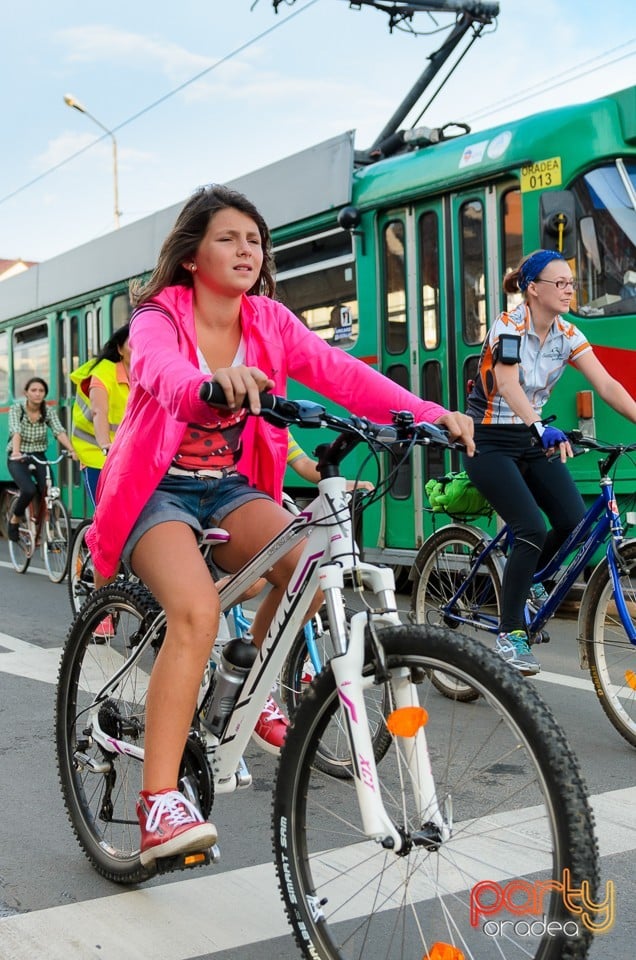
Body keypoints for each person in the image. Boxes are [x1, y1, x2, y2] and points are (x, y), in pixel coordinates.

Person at [85, 184, 474, 868]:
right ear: (190, 257)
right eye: (228, 238)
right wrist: (211, 384)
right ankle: (157, 806)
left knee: (311, 564)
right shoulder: (160, 316)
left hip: (228, 488)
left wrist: (428, 413)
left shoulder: (269, 319)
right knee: (197, 611)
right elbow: (161, 372)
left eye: (255, 240)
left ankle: (250, 684)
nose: (246, 250)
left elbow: (342, 374)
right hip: (155, 491)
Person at [463, 249, 636, 676]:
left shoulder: (568, 334)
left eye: (571, 283)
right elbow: (505, 382)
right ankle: (510, 633)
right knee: (531, 528)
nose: (568, 289)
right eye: (559, 283)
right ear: (532, 288)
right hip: (488, 440)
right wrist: (539, 426)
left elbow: (608, 384)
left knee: (576, 521)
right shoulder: (508, 325)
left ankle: (531, 582)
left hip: (531, 436)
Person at [6, 377, 77, 542]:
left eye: (41, 391)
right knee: (29, 489)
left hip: (38, 455)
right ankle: (15, 518)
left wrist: (72, 450)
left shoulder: (47, 410)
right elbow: (16, 431)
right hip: (18, 456)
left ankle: (49, 529)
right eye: (34, 390)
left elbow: (58, 431)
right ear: (26, 393)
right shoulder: (18, 409)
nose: (38, 394)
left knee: (50, 490)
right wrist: (16, 452)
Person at [70, 324, 131, 508]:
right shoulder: (103, 372)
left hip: (127, 452)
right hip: (97, 451)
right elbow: (99, 411)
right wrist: (105, 444)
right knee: (104, 511)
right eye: (133, 343)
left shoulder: (144, 375)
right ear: (120, 349)